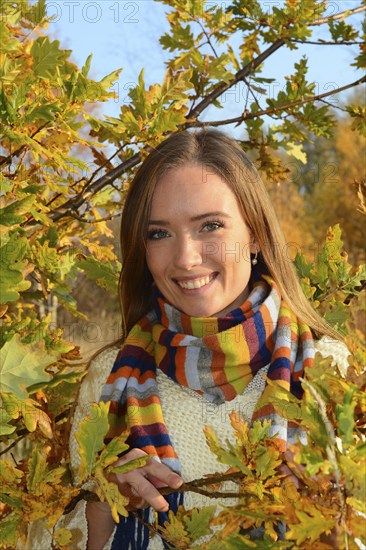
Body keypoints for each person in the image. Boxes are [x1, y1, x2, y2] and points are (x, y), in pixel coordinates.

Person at [21, 129, 349, 550]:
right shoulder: (108, 381)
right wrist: (103, 504)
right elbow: (47, 540)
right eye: (159, 233)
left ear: (256, 236)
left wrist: (327, 515)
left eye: (210, 225)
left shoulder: (331, 372)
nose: (186, 258)